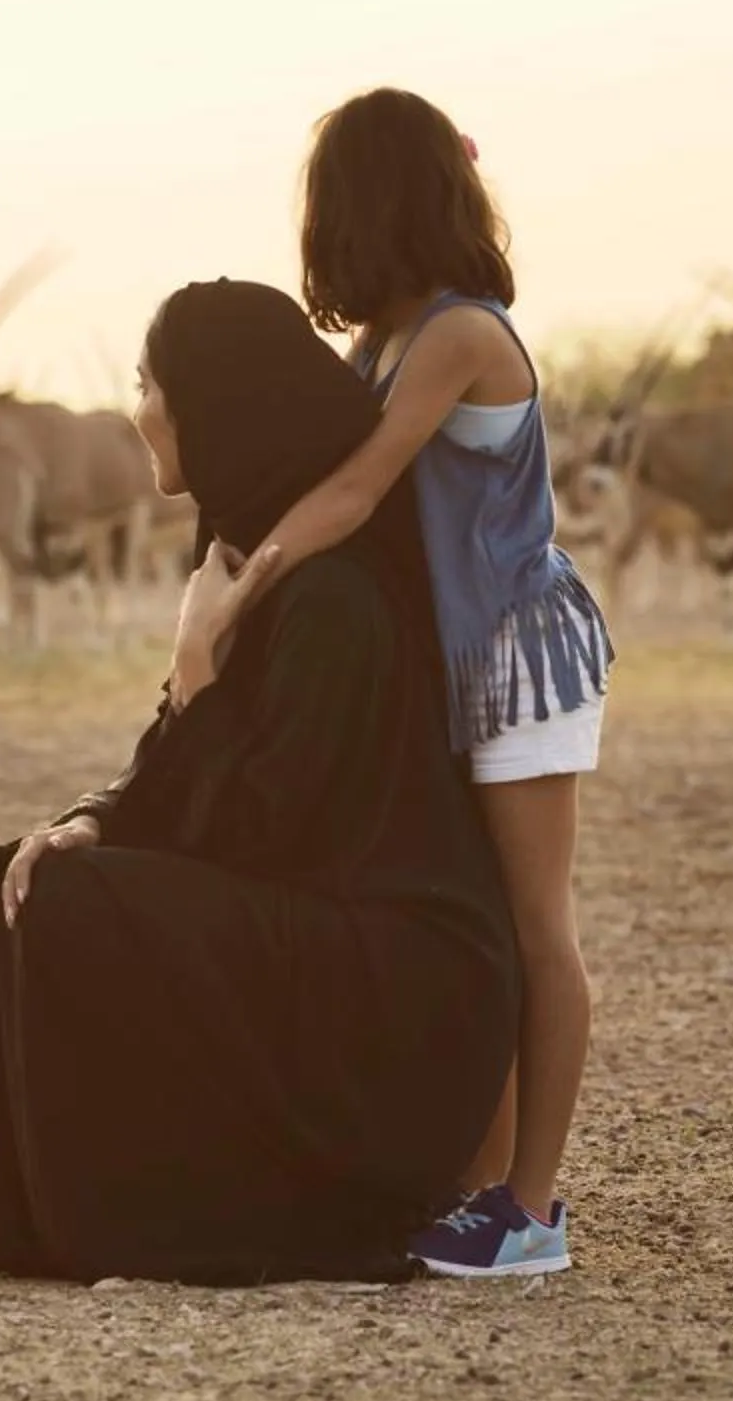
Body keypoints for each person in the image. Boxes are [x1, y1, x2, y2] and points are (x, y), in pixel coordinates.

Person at [0, 280, 518, 1286]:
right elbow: (175, 776)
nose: (136, 410)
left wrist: (199, 671)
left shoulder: (332, 599)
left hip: (397, 1008)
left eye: (147, 384)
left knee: (80, 905)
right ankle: (77, 1225)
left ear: (214, 402)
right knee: (28, 877)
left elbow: (256, 832)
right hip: (332, 945)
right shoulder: (256, 560)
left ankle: (165, 1220)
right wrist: (88, 818)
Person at [248, 89, 613, 1278]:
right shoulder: (383, 340)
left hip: (518, 648)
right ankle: (479, 1188)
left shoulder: (462, 333)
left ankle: (534, 1210)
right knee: (477, 918)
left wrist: (231, 601)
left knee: (534, 926)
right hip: (455, 654)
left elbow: (355, 490)